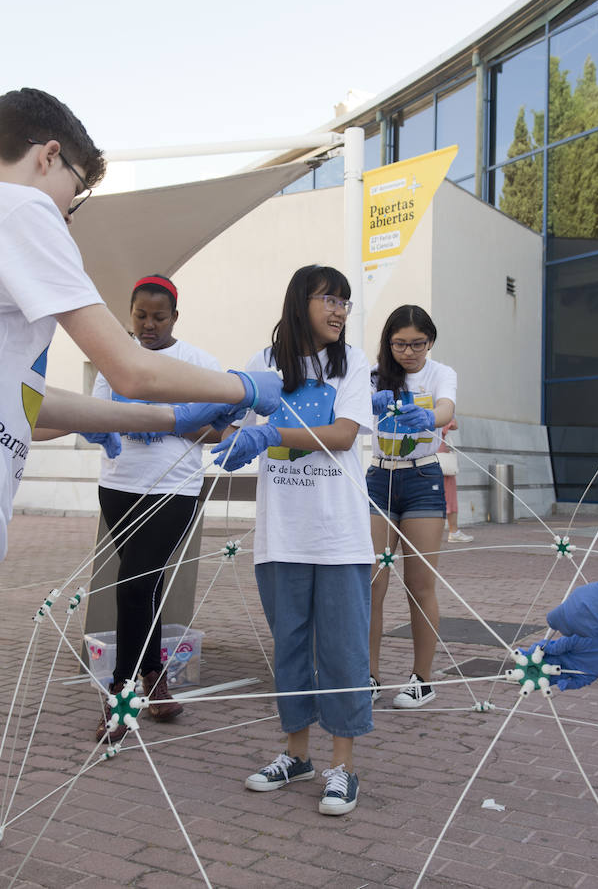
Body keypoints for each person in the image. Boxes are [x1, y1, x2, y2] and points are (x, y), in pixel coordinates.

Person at [0, 87, 281, 562]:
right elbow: (134, 372)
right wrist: (240, 387)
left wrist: (165, 417)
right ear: (50, 156)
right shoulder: (25, 208)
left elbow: (29, 398)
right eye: (79, 188)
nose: (70, 212)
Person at [211, 264, 374, 815]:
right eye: (328, 298)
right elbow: (230, 419)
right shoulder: (264, 363)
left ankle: (343, 767)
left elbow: (344, 434)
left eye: (345, 302)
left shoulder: (351, 365)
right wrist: (215, 421)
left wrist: (270, 432)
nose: (338, 310)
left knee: (343, 652)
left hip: (339, 536)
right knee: (291, 650)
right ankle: (296, 756)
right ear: (300, 299)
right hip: (281, 537)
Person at [92, 274, 232, 743]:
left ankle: (121, 695)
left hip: (174, 489)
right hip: (118, 486)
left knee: (134, 585)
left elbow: (220, 429)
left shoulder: (197, 363)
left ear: (175, 317)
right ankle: (155, 678)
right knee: (144, 583)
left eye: (158, 317)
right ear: (129, 314)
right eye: (140, 317)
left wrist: (175, 422)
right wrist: (102, 427)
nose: (148, 326)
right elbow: (97, 415)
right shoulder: (115, 357)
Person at [367, 305, 456, 708]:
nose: (409, 352)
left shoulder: (440, 373)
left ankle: (422, 678)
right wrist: (370, 401)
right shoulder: (373, 376)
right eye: (400, 344)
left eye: (417, 344)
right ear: (389, 343)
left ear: (430, 342)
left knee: (420, 585)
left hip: (422, 479)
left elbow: (446, 410)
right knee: (370, 583)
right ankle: (367, 675)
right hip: (378, 479)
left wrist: (429, 417)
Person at [440, 419, 473, 543]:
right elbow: (453, 425)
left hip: (425, 460)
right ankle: (453, 531)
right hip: (442, 461)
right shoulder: (436, 410)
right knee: (450, 497)